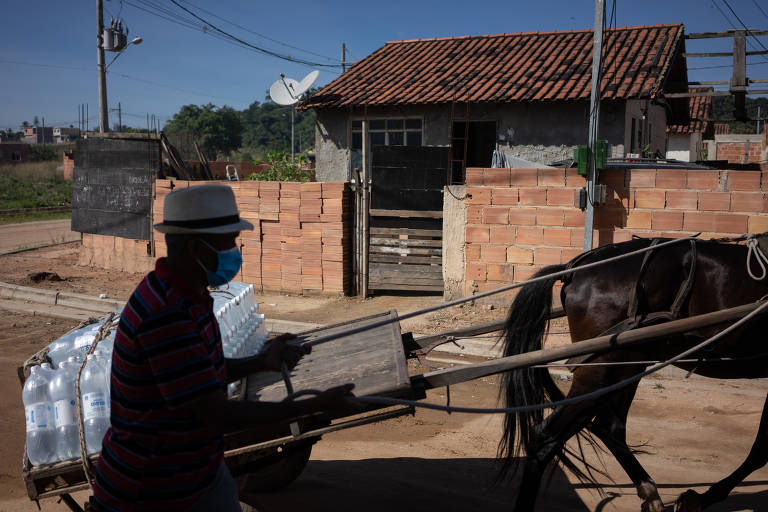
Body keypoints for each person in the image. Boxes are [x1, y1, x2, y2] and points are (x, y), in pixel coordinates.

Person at [91, 184, 354, 511]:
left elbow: (198, 374)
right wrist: (310, 407)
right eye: (227, 243)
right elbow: (215, 413)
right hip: (155, 490)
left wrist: (260, 361)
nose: (234, 252)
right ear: (194, 248)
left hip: (195, 476)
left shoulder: (190, 296)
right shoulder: (167, 313)